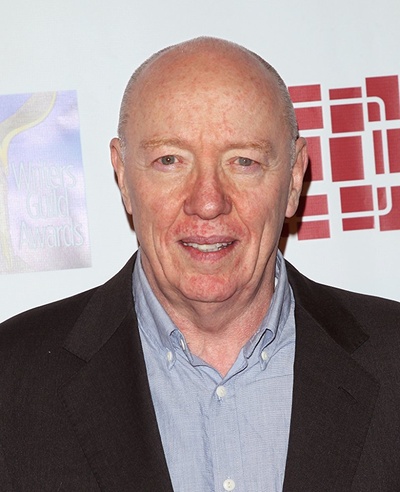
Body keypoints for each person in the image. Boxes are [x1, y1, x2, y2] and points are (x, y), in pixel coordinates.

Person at [0, 37, 399, 492]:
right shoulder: (12, 380)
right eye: (170, 160)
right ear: (123, 176)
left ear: (293, 179)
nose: (208, 202)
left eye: (243, 161)